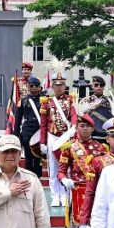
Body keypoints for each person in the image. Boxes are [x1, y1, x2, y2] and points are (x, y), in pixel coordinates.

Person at [56, 115, 105, 228]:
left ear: (92, 128)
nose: (84, 129)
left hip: (94, 193)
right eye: (81, 126)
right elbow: (60, 172)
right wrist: (64, 180)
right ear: (76, 128)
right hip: (76, 191)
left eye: (87, 126)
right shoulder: (69, 148)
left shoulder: (100, 148)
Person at [39, 73, 77, 207]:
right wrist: (42, 142)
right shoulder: (47, 102)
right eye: (56, 84)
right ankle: (55, 195)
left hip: (66, 136)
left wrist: (73, 127)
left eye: (61, 84)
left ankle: (66, 195)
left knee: (66, 166)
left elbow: (73, 114)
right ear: (52, 86)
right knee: (53, 168)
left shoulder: (71, 99)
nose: (59, 87)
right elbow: (43, 123)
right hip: (52, 136)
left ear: (65, 85)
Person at [13, 76, 43, 179]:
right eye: (31, 86)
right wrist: (15, 137)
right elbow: (17, 121)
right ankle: (29, 180)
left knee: (38, 159)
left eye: (36, 86)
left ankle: (37, 179)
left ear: (40, 88)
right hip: (27, 133)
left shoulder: (45, 101)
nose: (34, 88)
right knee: (29, 158)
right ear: (28, 87)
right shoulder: (23, 101)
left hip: (40, 133)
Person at [83, 76, 112, 144]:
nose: (99, 87)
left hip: (106, 134)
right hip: (91, 134)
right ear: (92, 86)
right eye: (96, 85)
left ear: (103, 87)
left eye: (101, 85)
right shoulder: (86, 101)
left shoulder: (110, 100)